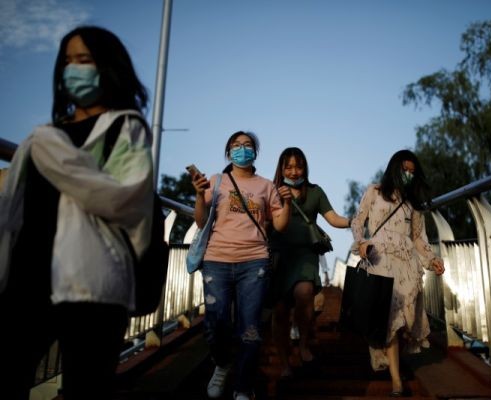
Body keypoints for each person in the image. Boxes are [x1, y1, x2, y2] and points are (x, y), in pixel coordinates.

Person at [0, 26, 154, 400]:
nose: (73, 69)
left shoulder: (125, 127)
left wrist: (56, 157)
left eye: (83, 60)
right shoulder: (44, 136)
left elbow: (123, 199)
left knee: (87, 388)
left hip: (91, 282)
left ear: (107, 66)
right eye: (67, 61)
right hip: (26, 278)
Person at [190, 131, 292, 400]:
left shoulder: (266, 186)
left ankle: (243, 386)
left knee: (250, 329)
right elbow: (201, 221)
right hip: (216, 261)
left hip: (254, 262)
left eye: (247, 146)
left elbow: (279, 225)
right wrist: (200, 195)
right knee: (216, 323)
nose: (242, 150)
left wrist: (288, 203)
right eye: (236, 146)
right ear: (228, 152)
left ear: (255, 152)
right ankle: (222, 365)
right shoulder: (217, 181)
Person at [350, 149, 445, 397]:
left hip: (406, 264)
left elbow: (417, 238)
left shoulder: (413, 204)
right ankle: (396, 380)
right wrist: (360, 242)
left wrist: (432, 259)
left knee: (407, 320)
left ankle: (386, 355)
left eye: (413, 172)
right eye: (405, 170)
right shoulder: (374, 191)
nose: (408, 175)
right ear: (394, 168)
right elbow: (358, 221)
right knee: (391, 318)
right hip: (380, 258)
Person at [269, 147, 351, 378]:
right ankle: (285, 363)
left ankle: (304, 343)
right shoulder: (272, 191)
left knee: (305, 292)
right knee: (280, 311)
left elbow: (332, 217)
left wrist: (354, 221)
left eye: (298, 166)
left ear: (305, 167)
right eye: (288, 167)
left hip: (305, 254)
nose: (294, 171)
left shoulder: (315, 192)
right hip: (278, 255)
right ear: (281, 168)